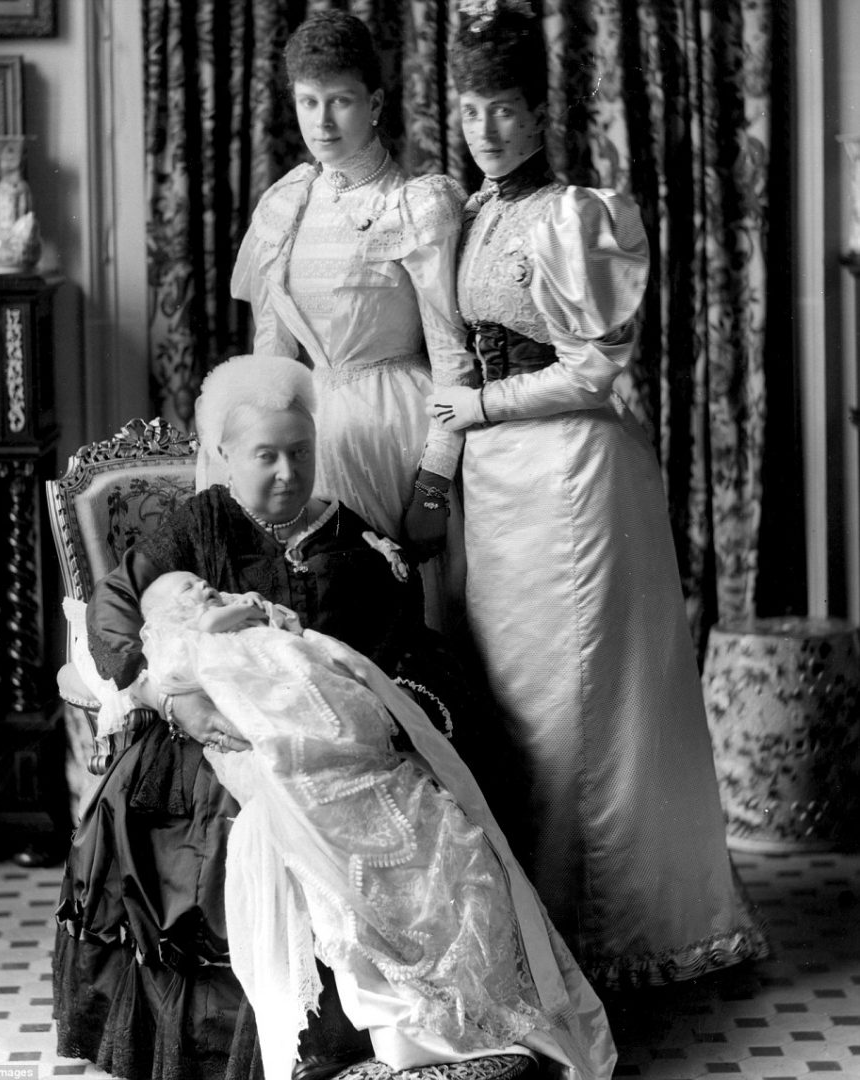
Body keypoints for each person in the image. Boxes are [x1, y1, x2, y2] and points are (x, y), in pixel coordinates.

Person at [426, 3, 770, 989]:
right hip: (497, 489)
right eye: (467, 110)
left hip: (575, 477)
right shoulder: (470, 214)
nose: (483, 129)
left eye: (500, 110)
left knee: (582, 711)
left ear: (537, 112)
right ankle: (534, 923)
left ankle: (615, 937)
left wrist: (480, 402)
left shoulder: (576, 216)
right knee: (516, 709)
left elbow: (595, 368)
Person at [53, 356, 471, 1080]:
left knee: (412, 818)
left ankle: (404, 1021)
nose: (286, 473)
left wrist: (385, 715)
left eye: (300, 454)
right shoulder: (199, 526)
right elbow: (114, 612)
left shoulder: (351, 537)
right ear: (224, 456)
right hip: (208, 733)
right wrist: (164, 694)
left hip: (329, 732)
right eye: (265, 457)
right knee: (248, 820)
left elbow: (401, 642)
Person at [137, 570, 617, 1080]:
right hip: (291, 756)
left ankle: (474, 1012)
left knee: (440, 849)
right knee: (354, 883)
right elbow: (174, 661)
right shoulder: (194, 641)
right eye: (184, 590)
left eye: (198, 581)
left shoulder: (258, 616)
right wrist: (240, 618)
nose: (201, 587)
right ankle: (410, 1031)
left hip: (348, 739)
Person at [228, 10, 476, 631]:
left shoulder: (416, 205)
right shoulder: (284, 205)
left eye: (340, 101)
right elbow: (272, 359)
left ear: (375, 103)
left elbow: (452, 358)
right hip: (309, 445)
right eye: (308, 102)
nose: (322, 120)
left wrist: (434, 484)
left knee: (399, 627)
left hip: (398, 437)